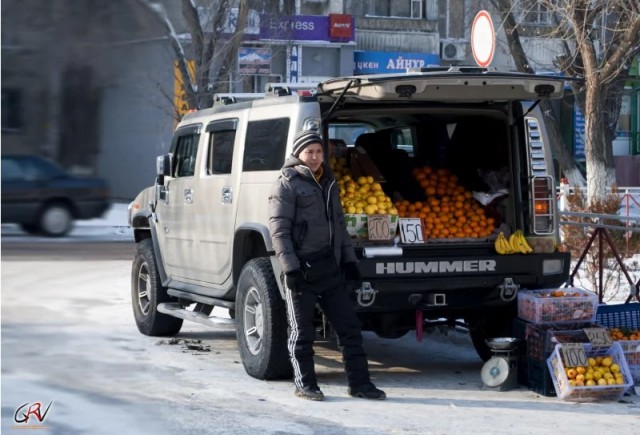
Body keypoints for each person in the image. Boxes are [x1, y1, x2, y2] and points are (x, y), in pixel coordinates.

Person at [268, 130, 386, 402]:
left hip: (329, 267)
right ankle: (306, 384)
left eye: (319, 152)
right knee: (302, 332)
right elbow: (279, 231)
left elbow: (340, 227)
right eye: (309, 152)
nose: (314, 157)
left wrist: (349, 262)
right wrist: (290, 269)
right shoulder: (286, 183)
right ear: (298, 154)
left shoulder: (329, 181)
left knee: (350, 328)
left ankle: (360, 384)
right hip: (302, 269)